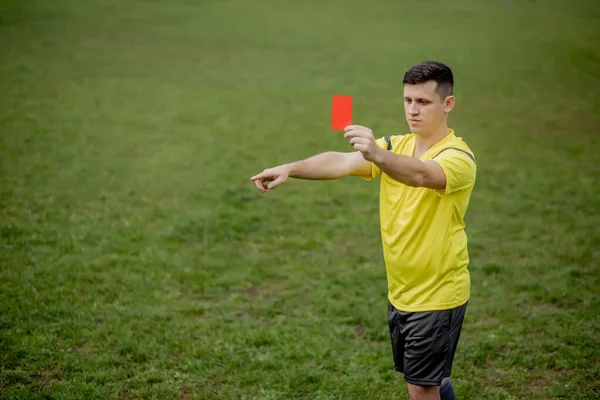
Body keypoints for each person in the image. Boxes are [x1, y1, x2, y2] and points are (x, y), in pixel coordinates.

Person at [250, 61, 476, 400]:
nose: (412, 110)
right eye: (408, 100)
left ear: (448, 104)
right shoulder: (395, 146)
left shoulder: (458, 157)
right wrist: (290, 168)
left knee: (421, 388)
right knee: (429, 379)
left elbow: (421, 175)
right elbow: (340, 162)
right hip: (401, 290)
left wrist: (375, 154)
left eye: (423, 102)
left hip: (438, 293)